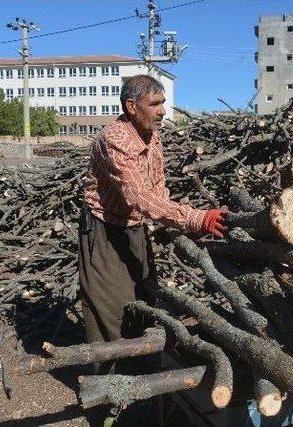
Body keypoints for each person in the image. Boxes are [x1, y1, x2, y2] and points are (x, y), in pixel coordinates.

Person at [79, 75, 227, 366]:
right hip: (103, 230)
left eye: (163, 103)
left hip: (133, 226)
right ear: (131, 107)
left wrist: (178, 220)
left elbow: (157, 189)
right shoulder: (115, 140)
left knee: (143, 298)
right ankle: (109, 390)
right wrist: (195, 219)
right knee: (110, 309)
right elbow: (139, 197)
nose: (162, 111)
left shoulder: (152, 136)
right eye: (155, 104)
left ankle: (141, 373)